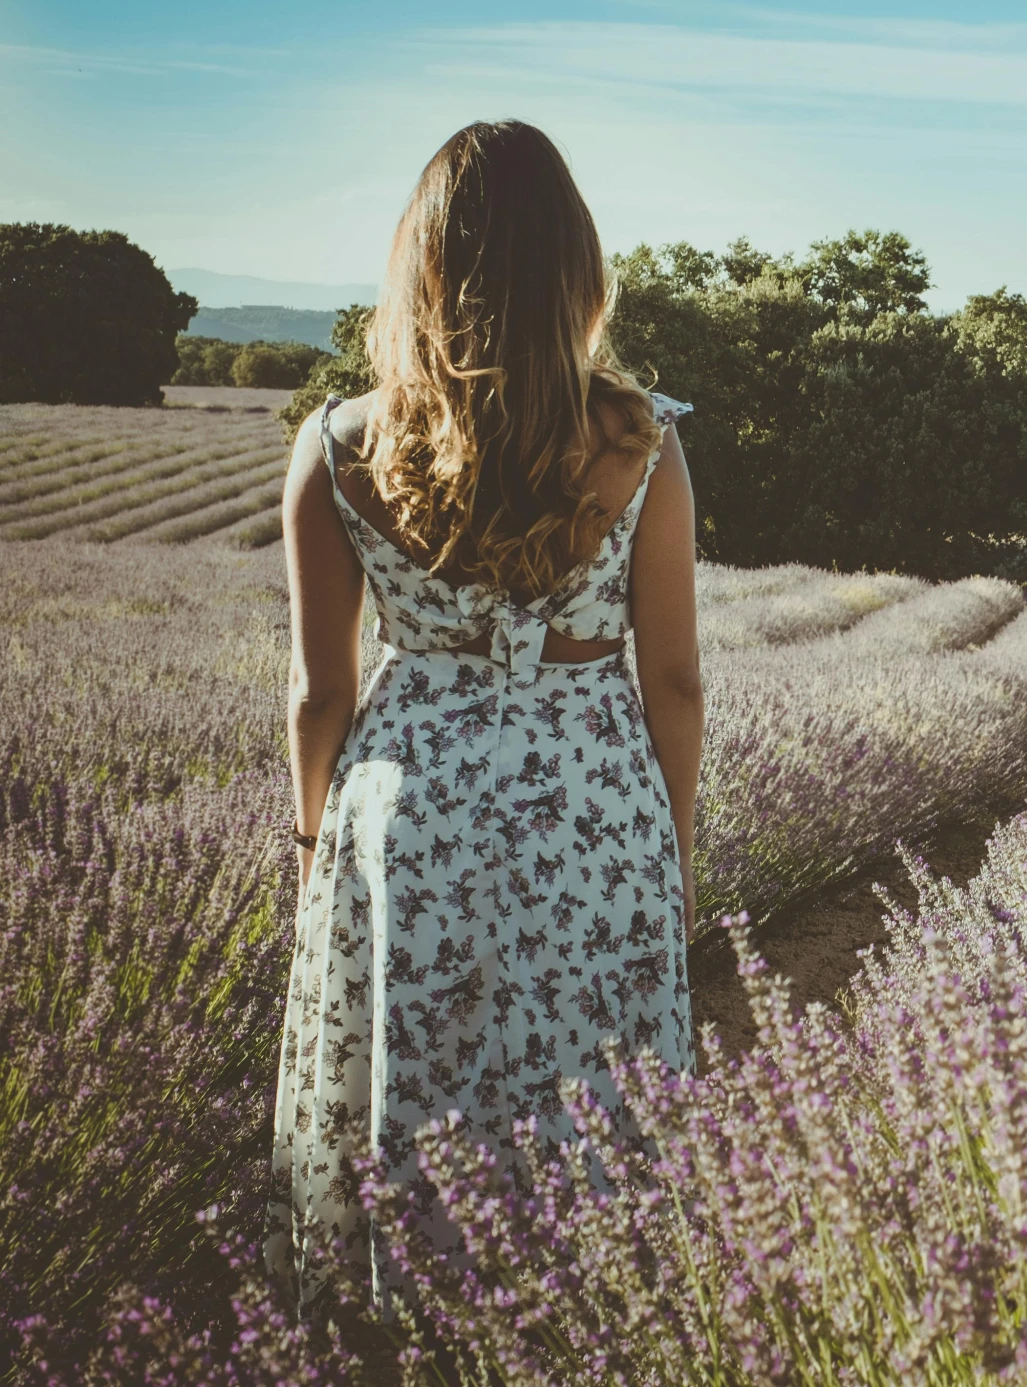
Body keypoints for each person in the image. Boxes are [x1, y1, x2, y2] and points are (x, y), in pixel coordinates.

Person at [268, 121, 702, 1298]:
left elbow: (322, 691)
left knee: (422, 1085)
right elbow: (673, 681)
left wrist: (314, 846)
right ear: (579, 270)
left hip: (408, 811)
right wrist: (674, 843)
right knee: (593, 1087)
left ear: (420, 268)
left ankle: (416, 1323)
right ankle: (589, 1312)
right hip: (594, 801)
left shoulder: (336, 444)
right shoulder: (641, 439)